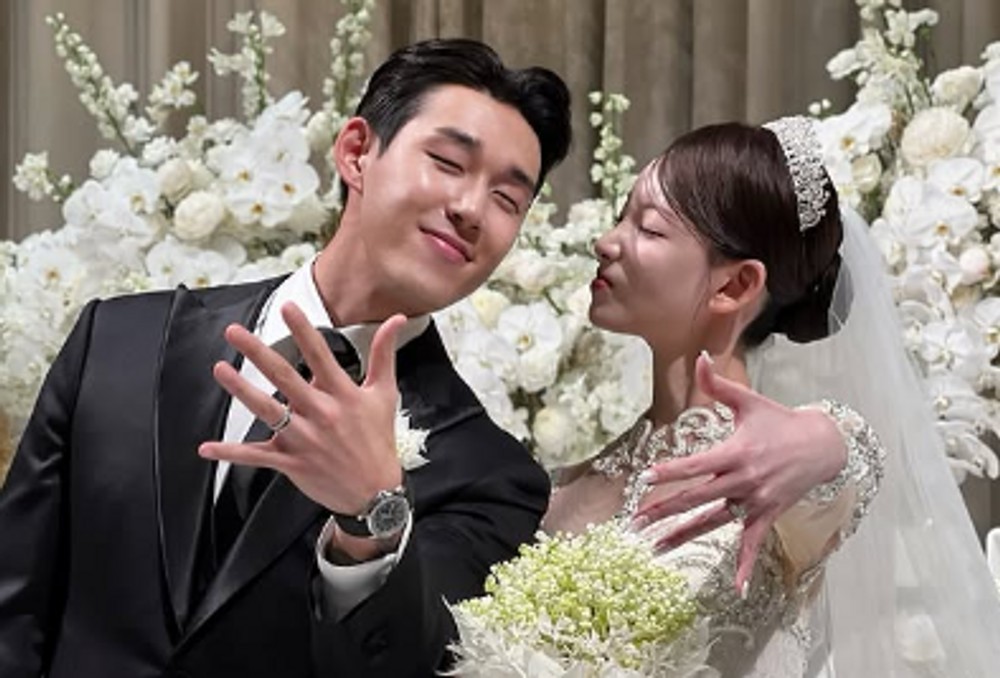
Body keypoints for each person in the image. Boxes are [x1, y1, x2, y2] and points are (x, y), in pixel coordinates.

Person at [542, 117, 1000, 676]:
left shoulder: (785, 472)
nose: (606, 241)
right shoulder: (568, 481)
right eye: (621, 216)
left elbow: (845, 459)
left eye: (649, 228)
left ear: (735, 285)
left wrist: (826, 438)